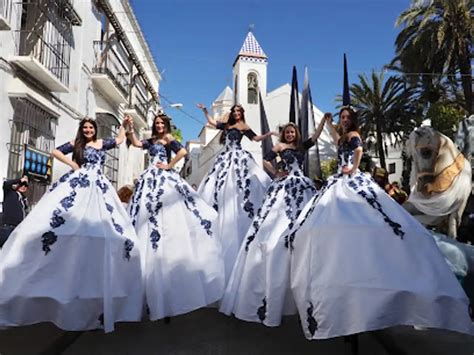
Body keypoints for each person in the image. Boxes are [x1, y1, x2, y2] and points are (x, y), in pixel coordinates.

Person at [286, 107, 473, 339]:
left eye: (347, 118)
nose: (344, 121)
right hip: (338, 182)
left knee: (369, 222)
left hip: (349, 180)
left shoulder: (354, 136)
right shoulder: (343, 136)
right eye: (342, 118)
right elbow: (336, 138)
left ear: (352, 120)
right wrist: (327, 122)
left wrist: (352, 169)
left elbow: (359, 150)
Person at [0, 117, 143, 333]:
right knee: (59, 226)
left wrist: (125, 126)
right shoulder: (76, 145)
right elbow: (56, 151)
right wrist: (73, 164)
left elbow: (120, 140)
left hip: (98, 186)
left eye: (91, 127)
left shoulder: (101, 143)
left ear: (95, 129)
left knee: (104, 230)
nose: (87, 130)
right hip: (78, 181)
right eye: (85, 127)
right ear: (82, 130)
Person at [220, 119, 326, 326]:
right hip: (283, 186)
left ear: (296, 134)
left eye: (292, 132)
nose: (289, 135)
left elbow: (315, 137)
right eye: (286, 132)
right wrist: (276, 172)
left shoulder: (301, 147)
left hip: (302, 186)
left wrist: (323, 122)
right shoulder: (279, 147)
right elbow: (266, 161)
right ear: (284, 134)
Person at [126, 113, 224, 321]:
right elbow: (135, 143)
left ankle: (166, 292)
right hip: (149, 179)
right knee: (144, 220)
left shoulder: (169, 139)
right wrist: (129, 127)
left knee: (169, 218)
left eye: (162, 123)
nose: (159, 126)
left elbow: (182, 152)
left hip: (163, 178)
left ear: (166, 125)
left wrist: (169, 166)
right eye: (157, 123)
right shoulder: (151, 141)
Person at [196, 103, 275, 282]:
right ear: (232, 114)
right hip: (225, 158)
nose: (237, 114)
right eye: (235, 112)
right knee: (217, 185)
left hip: (238, 157)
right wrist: (204, 110)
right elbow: (211, 122)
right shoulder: (227, 126)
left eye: (239, 112)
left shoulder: (243, 127)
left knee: (245, 186)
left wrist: (268, 134)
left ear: (242, 114)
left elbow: (255, 139)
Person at [0, 175, 29, 247]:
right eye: (22, 184)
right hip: (8, 228)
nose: (23, 186)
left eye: (26, 185)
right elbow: (6, 184)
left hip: (18, 230)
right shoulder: (10, 193)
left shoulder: (24, 200)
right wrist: (19, 180)